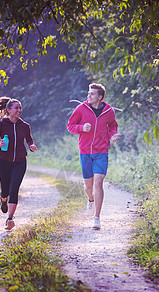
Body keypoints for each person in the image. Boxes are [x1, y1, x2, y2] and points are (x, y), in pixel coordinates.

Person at [67, 83, 121, 230]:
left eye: (92, 94)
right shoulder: (81, 109)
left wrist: (113, 136)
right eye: (88, 93)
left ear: (100, 97)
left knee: (98, 182)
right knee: (88, 186)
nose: (88, 96)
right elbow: (70, 125)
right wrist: (81, 128)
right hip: (85, 151)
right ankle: (90, 199)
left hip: (101, 151)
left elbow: (112, 126)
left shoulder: (109, 111)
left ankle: (96, 218)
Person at [0, 97, 37, 230]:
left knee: (14, 189)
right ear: (8, 110)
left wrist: (31, 145)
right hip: (4, 162)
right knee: (5, 189)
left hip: (20, 162)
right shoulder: (1, 125)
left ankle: (10, 218)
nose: (19, 110)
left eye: (20, 108)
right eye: (16, 108)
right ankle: (3, 199)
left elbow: (29, 139)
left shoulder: (25, 126)